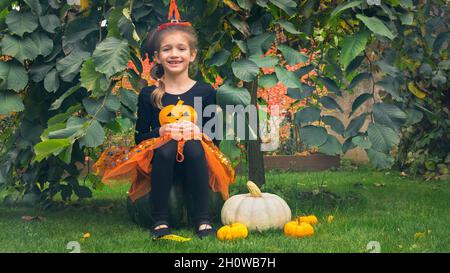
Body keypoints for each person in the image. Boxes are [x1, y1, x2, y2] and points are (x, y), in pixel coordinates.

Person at [93, 1, 235, 240]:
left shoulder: (205, 92)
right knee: (168, 146)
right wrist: (163, 130)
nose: (174, 54)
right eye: (167, 49)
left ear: (192, 55)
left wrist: (196, 131)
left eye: (181, 49)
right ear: (157, 57)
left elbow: (215, 139)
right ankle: (160, 220)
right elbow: (140, 138)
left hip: (197, 159)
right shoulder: (149, 94)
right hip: (160, 162)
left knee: (191, 144)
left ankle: (202, 220)